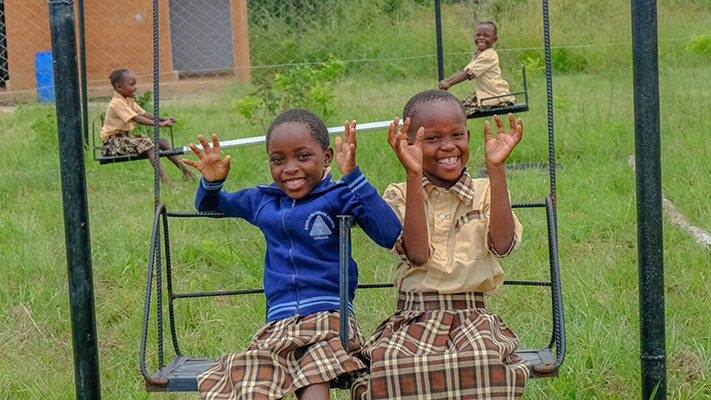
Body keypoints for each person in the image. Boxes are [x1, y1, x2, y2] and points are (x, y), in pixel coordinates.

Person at [183, 108, 402, 400]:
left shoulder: (338, 196)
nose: (290, 168)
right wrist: (212, 183)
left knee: (313, 374)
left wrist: (354, 177)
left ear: (326, 157)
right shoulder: (263, 201)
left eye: (303, 156)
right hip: (280, 325)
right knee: (248, 384)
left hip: (329, 319)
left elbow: (390, 234)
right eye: (278, 159)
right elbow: (209, 205)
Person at [351, 90, 530, 399]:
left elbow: (502, 245)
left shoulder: (486, 191)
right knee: (392, 367)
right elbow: (418, 255)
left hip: (472, 318)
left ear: (468, 136)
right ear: (409, 143)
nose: (448, 146)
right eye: (432, 139)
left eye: (457, 135)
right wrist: (413, 173)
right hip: (413, 318)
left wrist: (497, 169)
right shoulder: (399, 194)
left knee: (481, 363)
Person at [99, 68, 194, 187]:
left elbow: (144, 114)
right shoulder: (117, 103)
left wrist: (164, 119)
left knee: (163, 142)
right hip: (114, 143)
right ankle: (166, 182)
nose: (135, 88)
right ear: (119, 87)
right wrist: (160, 125)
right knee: (150, 146)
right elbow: (137, 118)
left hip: (125, 138)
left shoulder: (127, 100)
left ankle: (187, 172)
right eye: (131, 84)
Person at [438, 21, 516, 115]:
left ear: (494, 39)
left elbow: (468, 74)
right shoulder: (479, 54)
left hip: (494, 96)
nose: (481, 38)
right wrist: (447, 80)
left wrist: (449, 83)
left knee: (457, 111)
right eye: (478, 35)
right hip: (484, 94)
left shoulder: (489, 55)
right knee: (457, 107)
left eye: (486, 36)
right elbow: (465, 71)